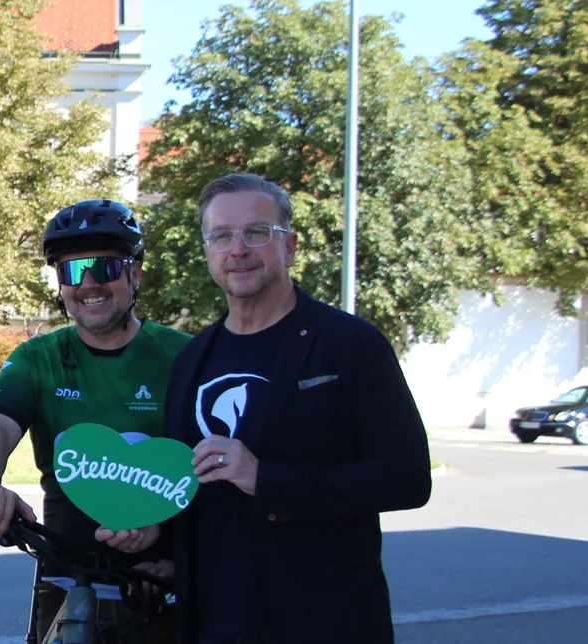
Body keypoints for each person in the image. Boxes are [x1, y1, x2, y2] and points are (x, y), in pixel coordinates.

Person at [162, 173, 432, 643]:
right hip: (213, 624)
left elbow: (407, 478)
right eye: (221, 236)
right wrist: (152, 530)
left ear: (288, 247)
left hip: (322, 621)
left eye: (257, 233)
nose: (238, 248)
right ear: (208, 251)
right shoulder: (191, 359)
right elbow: (192, 490)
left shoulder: (350, 345)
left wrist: (267, 479)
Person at [0, 199, 189, 643]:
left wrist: (178, 553)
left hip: (165, 578)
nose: (88, 284)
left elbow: (216, 470)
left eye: (104, 268)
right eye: (72, 271)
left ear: (135, 274)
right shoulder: (38, 357)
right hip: (69, 579)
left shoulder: (185, 356)